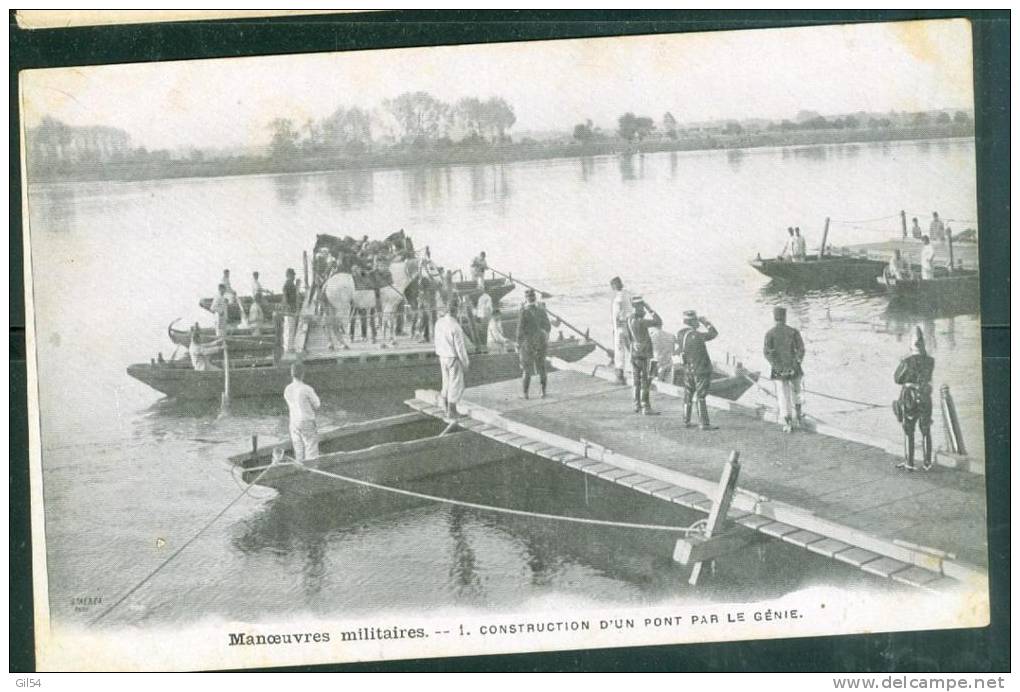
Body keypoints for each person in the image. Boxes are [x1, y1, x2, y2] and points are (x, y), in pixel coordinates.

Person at [893, 326, 935, 471]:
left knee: (908, 430)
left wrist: (902, 362)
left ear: (911, 345)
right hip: (924, 397)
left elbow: (897, 379)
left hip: (909, 398)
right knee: (925, 429)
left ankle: (909, 462)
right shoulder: (930, 361)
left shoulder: (907, 361)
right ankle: (927, 463)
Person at [763, 306, 806, 433]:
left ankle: (788, 423)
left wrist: (778, 367)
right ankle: (799, 417)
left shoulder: (769, 333)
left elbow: (767, 353)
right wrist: (795, 363)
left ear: (774, 318)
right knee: (797, 393)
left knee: (783, 396)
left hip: (779, 371)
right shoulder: (793, 332)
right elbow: (801, 350)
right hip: (794, 368)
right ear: (785, 318)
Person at [676, 310, 719, 429]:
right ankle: (704, 423)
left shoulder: (680, 334)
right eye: (696, 321)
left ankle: (686, 421)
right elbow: (714, 333)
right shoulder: (697, 335)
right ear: (693, 321)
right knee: (701, 396)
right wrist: (706, 322)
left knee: (688, 395)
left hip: (688, 369)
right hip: (700, 370)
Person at [434, 296, 471, 418]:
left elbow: (437, 340)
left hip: (442, 356)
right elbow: (460, 349)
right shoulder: (456, 327)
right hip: (453, 358)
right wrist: (465, 363)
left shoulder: (439, 322)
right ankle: (452, 411)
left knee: (446, 381)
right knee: (456, 383)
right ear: (456, 310)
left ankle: (444, 405)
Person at [627, 297, 663, 414]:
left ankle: (636, 405)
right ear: (639, 307)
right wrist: (650, 309)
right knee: (646, 380)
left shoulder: (629, 319)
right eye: (642, 307)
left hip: (634, 353)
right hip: (644, 354)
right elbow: (659, 321)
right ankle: (646, 407)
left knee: (636, 380)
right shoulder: (642, 321)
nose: (643, 310)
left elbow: (629, 338)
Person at [515, 289, 551, 399]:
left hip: (528, 344)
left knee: (527, 369)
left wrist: (518, 344)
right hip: (541, 343)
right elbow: (548, 327)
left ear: (526, 299)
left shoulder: (523, 312)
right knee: (542, 368)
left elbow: (520, 331)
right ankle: (543, 392)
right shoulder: (541, 310)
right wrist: (544, 336)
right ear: (535, 298)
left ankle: (525, 394)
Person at [284, 362, 321, 464]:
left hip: (293, 422)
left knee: (298, 450)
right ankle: (312, 472)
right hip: (306, 421)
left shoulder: (287, 389)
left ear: (291, 374)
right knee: (311, 449)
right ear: (303, 374)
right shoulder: (306, 389)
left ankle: (299, 471)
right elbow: (317, 405)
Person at [609, 276, 633, 384]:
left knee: (619, 350)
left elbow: (617, 315)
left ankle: (620, 374)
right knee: (630, 348)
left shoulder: (619, 298)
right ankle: (634, 370)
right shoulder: (627, 294)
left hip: (621, 326)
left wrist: (615, 329)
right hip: (628, 324)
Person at [282, 268, 299, 352]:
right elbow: (285, 298)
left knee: (290, 329)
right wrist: (288, 309)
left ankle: (289, 347)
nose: (294, 277)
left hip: (291, 310)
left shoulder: (290, 284)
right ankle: (289, 348)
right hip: (290, 311)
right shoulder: (288, 284)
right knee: (290, 329)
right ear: (289, 275)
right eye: (293, 275)